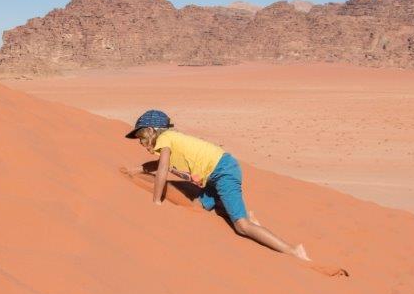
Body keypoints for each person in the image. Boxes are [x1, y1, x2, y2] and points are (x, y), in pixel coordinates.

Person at [124, 109, 310, 262]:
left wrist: (156, 201)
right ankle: (247, 215)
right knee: (197, 206)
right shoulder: (171, 139)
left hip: (223, 172)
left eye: (141, 135)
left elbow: (163, 168)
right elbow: (159, 165)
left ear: (152, 130)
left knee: (241, 226)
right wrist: (136, 170)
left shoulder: (165, 139)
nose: (140, 141)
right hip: (216, 173)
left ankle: (293, 251)